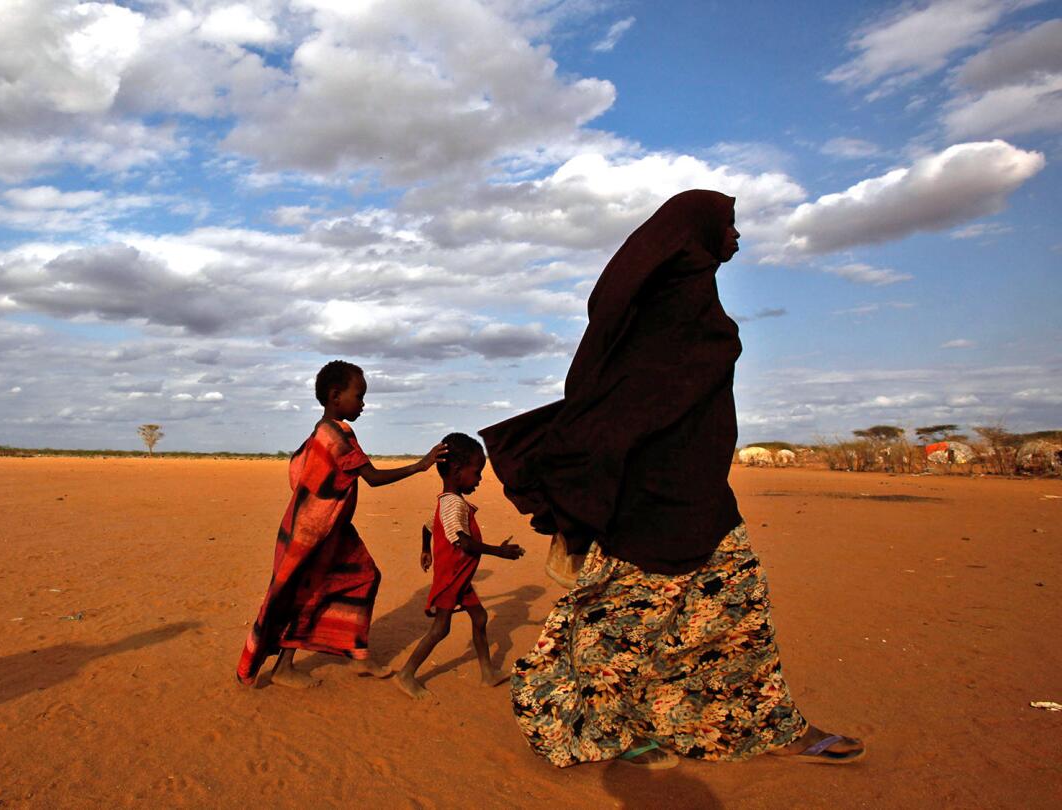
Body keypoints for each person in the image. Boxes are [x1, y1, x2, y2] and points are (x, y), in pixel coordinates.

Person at [480, 190, 865, 769]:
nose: (737, 237)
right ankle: (583, 725)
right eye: (729, 226)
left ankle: (765, 724)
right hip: (648, 503)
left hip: (700, 497)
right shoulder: (667, 310)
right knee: (617, 621)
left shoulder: (690, 299)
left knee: (738, 608)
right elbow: (627, 403)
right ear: (696, 233)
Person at [237, 360, 447, 688]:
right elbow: (373, 478)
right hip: (314, 533)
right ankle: (284, 667)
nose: (363, 404)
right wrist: (420, 466)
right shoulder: (338, 433)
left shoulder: (320, 432)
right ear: (336, 396)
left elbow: (298, 469)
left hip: (328, 529)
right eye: (359, 396)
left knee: (363, 576)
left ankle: (357, 653)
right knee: (301, 594)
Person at [394, 433, 524, 700]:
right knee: (441, 628)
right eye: (476, 473)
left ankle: (487, 672)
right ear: (456, 471)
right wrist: (499, 551)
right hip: (451, 578)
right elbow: (463, 542)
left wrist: (424, 549)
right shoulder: (452, 504)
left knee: (480, 618)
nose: (478, 479)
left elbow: (427, 526)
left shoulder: (447, 501)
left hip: (460, 577)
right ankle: (406, 674)